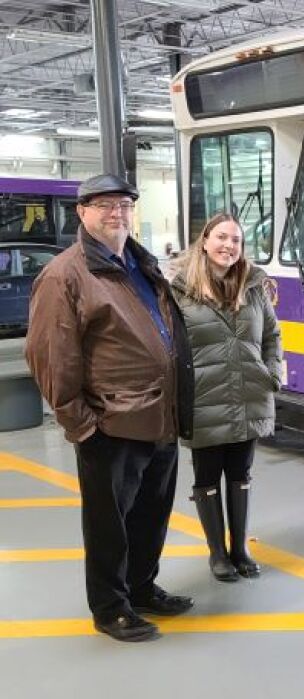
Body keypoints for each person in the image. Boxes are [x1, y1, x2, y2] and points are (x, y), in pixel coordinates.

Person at [25, 173, 195, 643]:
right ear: (82, 213)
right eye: (103, 205)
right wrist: (82, 425)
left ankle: (141, 588)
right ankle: (110, 607)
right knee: (109, 525)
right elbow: (50, 355)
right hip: (110, 424)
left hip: (159, 417)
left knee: (150, 515)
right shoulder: (65, 274)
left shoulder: (140, 263)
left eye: (123, 204)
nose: (115, 213)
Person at [172, 213, 282, 582]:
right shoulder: (179, 289)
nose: (228, 246)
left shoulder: (253, 286)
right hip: (203, 397)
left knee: (240, 472)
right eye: (221, 237)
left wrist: (274, 374)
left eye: (236, 240)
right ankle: (217, 553)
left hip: (248, 392)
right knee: (206, 476)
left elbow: (272, 336)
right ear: (204, 241)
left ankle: (239, 549)